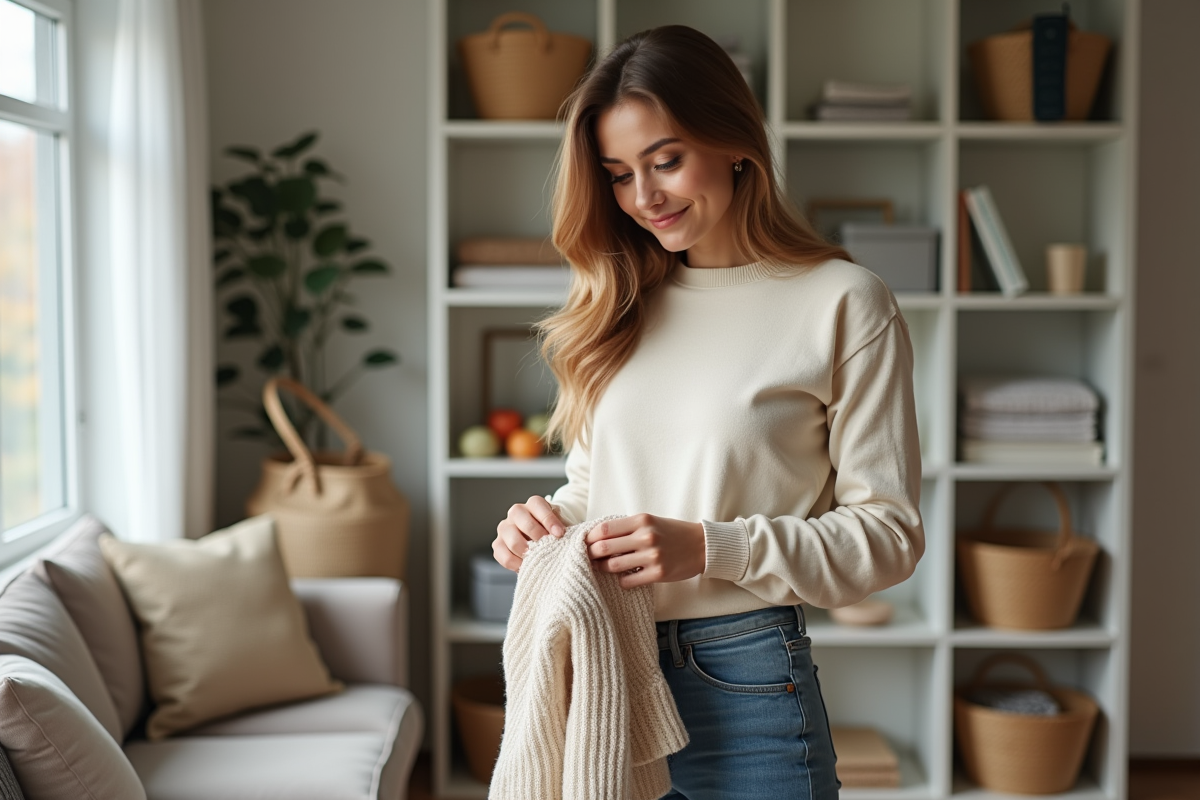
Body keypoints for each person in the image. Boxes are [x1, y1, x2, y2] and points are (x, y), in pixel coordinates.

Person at [492, 24, 924, 800]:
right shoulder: (621, 303)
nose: (644, 197)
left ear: (735, 142)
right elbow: (594, 490)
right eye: (619, 174)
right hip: (603, 668)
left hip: (748, 675)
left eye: (665, 160)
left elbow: (887, 539)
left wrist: (709, 548)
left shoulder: (844, 303)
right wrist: (542, 523)